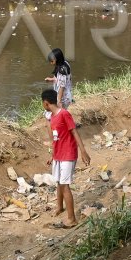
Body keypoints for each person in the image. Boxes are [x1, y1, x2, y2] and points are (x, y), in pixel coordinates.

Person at [42, 87, 91, 228]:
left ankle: (72, 219)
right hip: (58, 155)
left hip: (68, 154)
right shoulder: (52, 117)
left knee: (64, 185)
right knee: (59, 182)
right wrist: (52, 156)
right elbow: (56, 139)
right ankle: (59, 207)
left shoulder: (64, 114)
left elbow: (74, 132)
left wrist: (83, 151)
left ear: (46, 103)